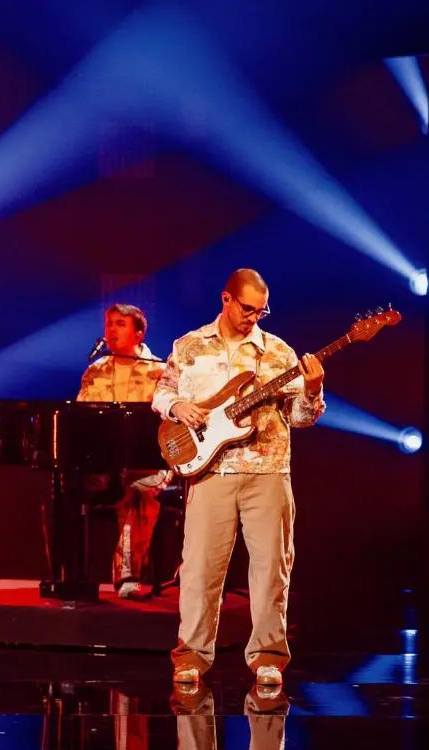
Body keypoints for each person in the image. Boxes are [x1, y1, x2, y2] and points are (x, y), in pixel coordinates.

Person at [152, 268, 325, 687]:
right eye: (247, 308)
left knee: (271, 569)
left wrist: (313, 391)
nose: (253, 318)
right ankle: (191, 655)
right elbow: (160, 391)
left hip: (267, 471)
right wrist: (178, 408)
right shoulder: (189, 346)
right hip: (210, 472)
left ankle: (268, 655)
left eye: (261, 311)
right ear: (226, 299)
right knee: (199, 570)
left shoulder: (278, 353)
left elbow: (300, 419)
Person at [76, 303, 171, 598]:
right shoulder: (95, 371)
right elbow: (82, 419)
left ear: (138, 333)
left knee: (134, 493)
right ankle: (69, 576)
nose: (112, 329)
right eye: (109, 323)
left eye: (120, 324)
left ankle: (128, 577)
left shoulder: (159, 371)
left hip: (149, 468)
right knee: (61, 490)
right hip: (105, 467)